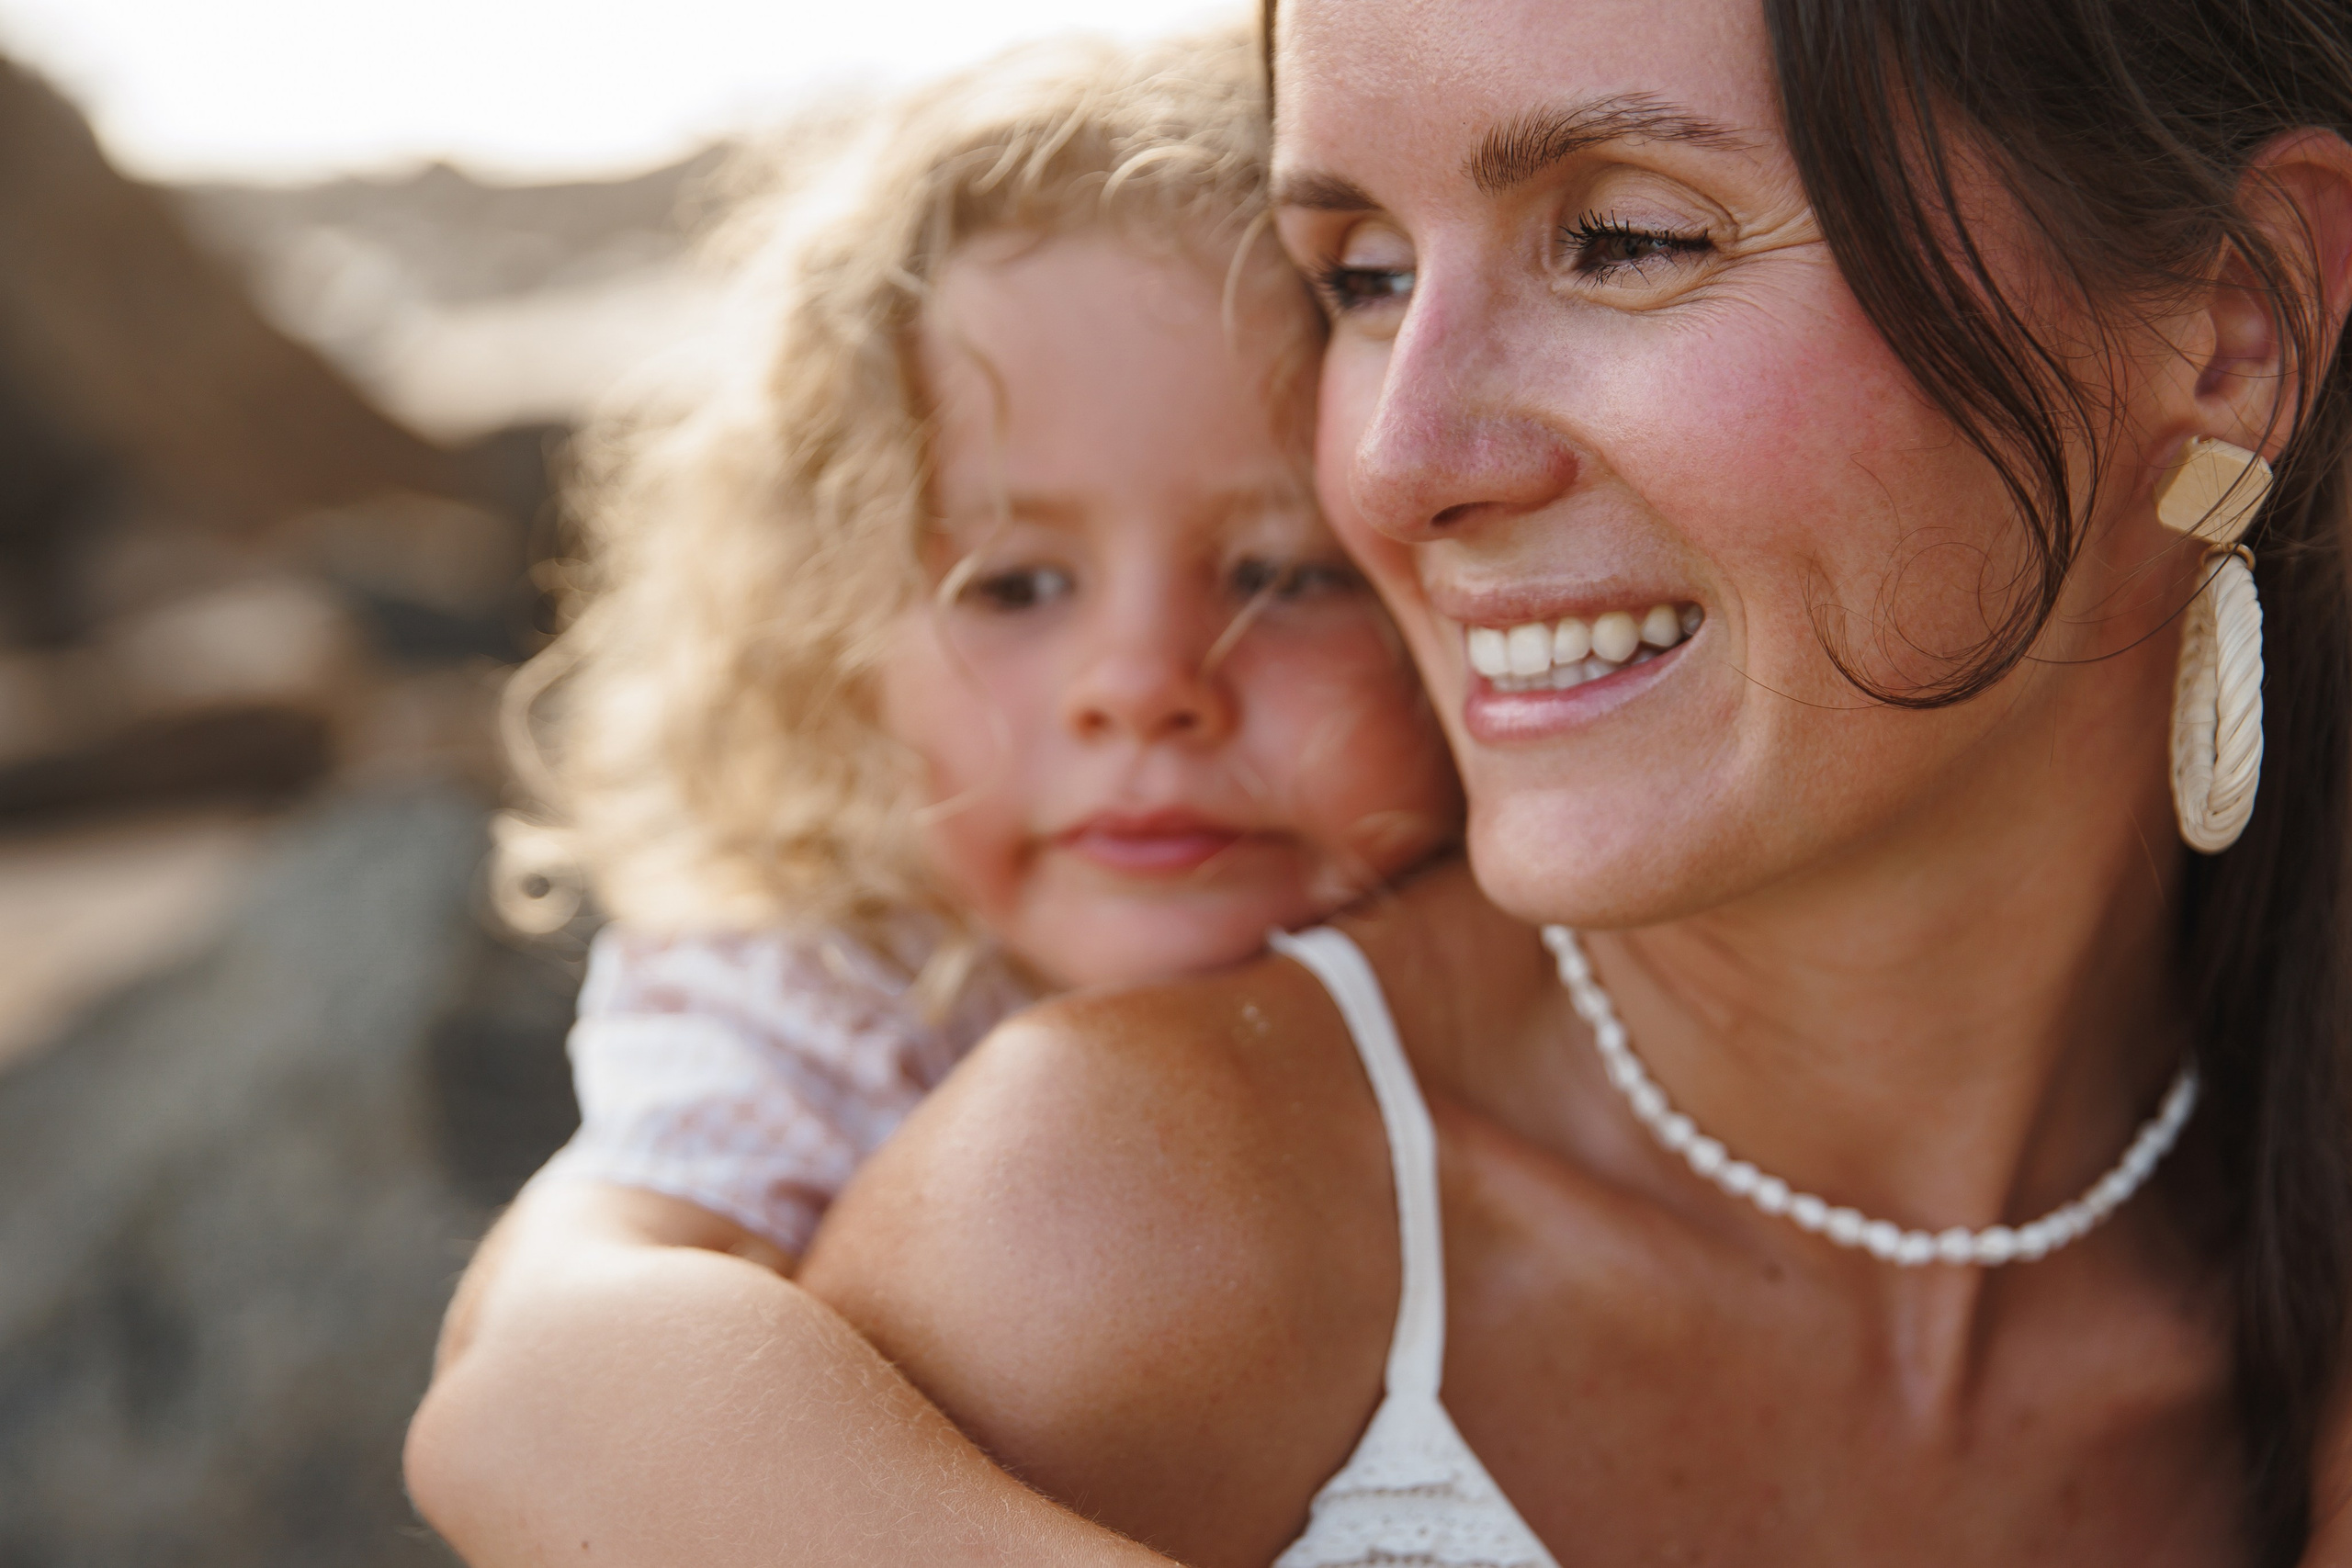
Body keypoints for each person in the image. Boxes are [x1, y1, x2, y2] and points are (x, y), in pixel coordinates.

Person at [791, 0, 2352, 1564]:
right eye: (1365, 278)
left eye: (1623, 239)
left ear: (2233, 322)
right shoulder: (1120, 1238)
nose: (1397, 469)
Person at [402, 27, 1463, 1565]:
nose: (1143, 681)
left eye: (1280, 573)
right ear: (837, 648)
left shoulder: (1566, 935)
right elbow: (540, 1376)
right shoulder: (846, 994)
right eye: (1015, 583)